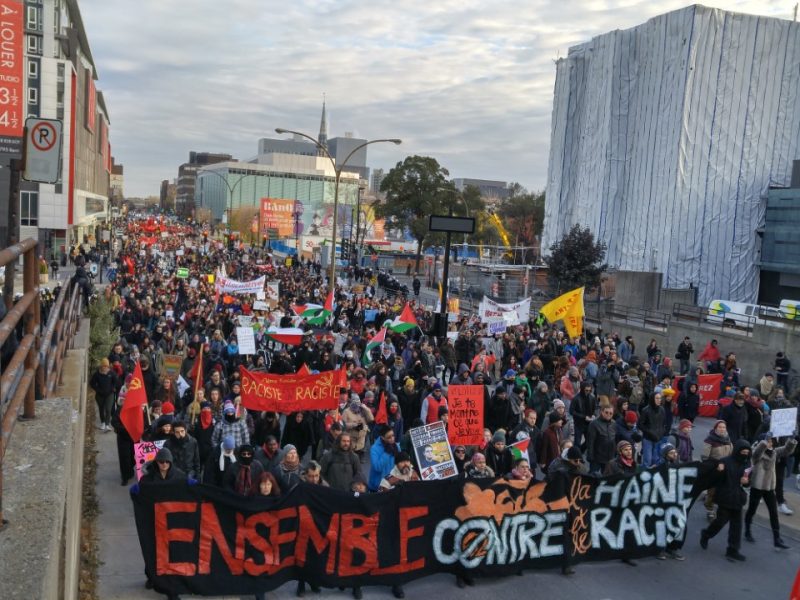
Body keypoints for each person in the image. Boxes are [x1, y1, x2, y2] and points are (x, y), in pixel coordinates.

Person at [700, 439, 752, 562]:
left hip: (738, 499)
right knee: (720, 522)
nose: (744, 454)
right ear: (737, 451)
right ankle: (706, 534)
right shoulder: (725, 462)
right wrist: (719, 471)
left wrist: (747, 482)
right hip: (725, 497)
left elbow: (747, 483)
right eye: (743, 452)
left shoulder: (747, 465)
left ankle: (733, 550)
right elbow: (714, 480)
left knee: (736, 526)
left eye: (747, 452)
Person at [744, 432, 797, 549]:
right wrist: (764, 442)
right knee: (752, 510)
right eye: (768, 441)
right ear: (763, 442)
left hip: (769, 487)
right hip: (757, 487)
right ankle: (747, 530)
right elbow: (757, 453)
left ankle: (777, 538)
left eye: (771, 441)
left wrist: (792, 440)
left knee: (773, 513)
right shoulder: (755, 452)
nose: (770, 443)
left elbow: (786, 450)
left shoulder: (774, 452)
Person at [701, 420, 733, 520]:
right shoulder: (710, 440)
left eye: (724, 427)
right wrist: (717, 465)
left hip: (725, 470)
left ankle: (720, 509)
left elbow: (731, 455)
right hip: (714, 469)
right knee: (712, 491)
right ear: (715, 428)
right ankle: (709, 510)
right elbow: (705, 458)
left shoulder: (728, 439)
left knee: (723, 491)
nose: (722, 429)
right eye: (720, 427)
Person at [586, 405, 617, 475]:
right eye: (606, 412)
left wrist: (615, 453)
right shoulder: (594, 424)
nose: (608, 415)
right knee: (593, 477)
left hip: (609, 458)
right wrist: (590, 456)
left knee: (606, 479)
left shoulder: (614, 423)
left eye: (610, 413)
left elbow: (615, 439)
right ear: (601, 412)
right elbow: (590, 441)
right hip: (597, 457)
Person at [90, 357, 119, 432]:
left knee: (108, 409)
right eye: (104, 366)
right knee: (101, 408)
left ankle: (107, 424)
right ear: (101, 366)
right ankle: (102, 422)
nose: (105, 368)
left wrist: (113, 388)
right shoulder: (97, 374)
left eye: (106, 366)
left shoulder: (111, 373)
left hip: (110, 394)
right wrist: (97, 390)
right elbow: (92, 383)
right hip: (100, 395)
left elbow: (116, 382)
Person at [639, 392, 666, 467]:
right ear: (652, 399)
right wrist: (650, 432)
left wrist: (662, 431)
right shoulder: (645, 410)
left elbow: (663, 423)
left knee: (656, 460)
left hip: (658, 438)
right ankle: (644, 477)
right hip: (648, 439)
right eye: (657, 398)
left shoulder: (662, 410)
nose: (659, 400)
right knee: (647, 460)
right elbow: (640, 425)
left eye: (660, 398)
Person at [369, 425, 399, 491]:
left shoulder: (396, 446)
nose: (392, 439)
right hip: (378, 485)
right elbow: (377, 467)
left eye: (393, 435)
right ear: (382, 437)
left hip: (391, 483)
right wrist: (387, 453)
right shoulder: (374, 449)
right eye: (389, 437)